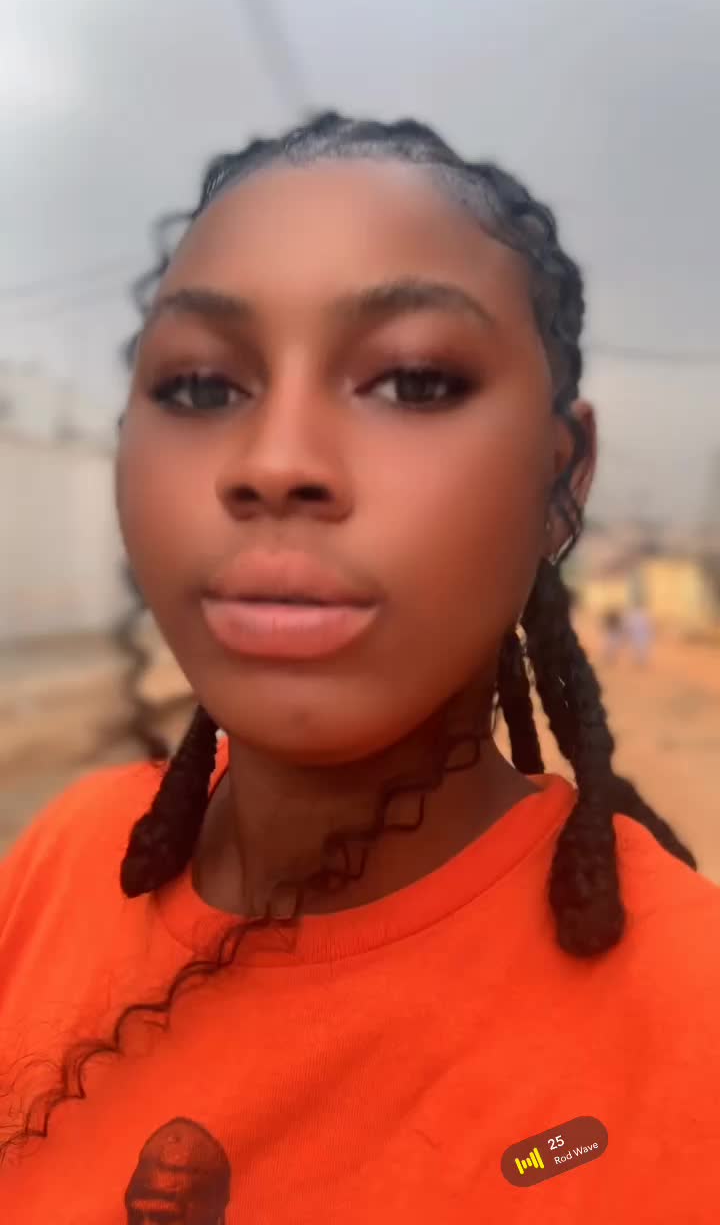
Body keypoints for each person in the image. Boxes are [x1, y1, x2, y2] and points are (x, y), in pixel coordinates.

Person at [0, 113, 717, 1222]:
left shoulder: (691, 1023)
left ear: (562, 478)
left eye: (415, 381)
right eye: (201, 387)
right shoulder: (60, 863)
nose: (276, 463)